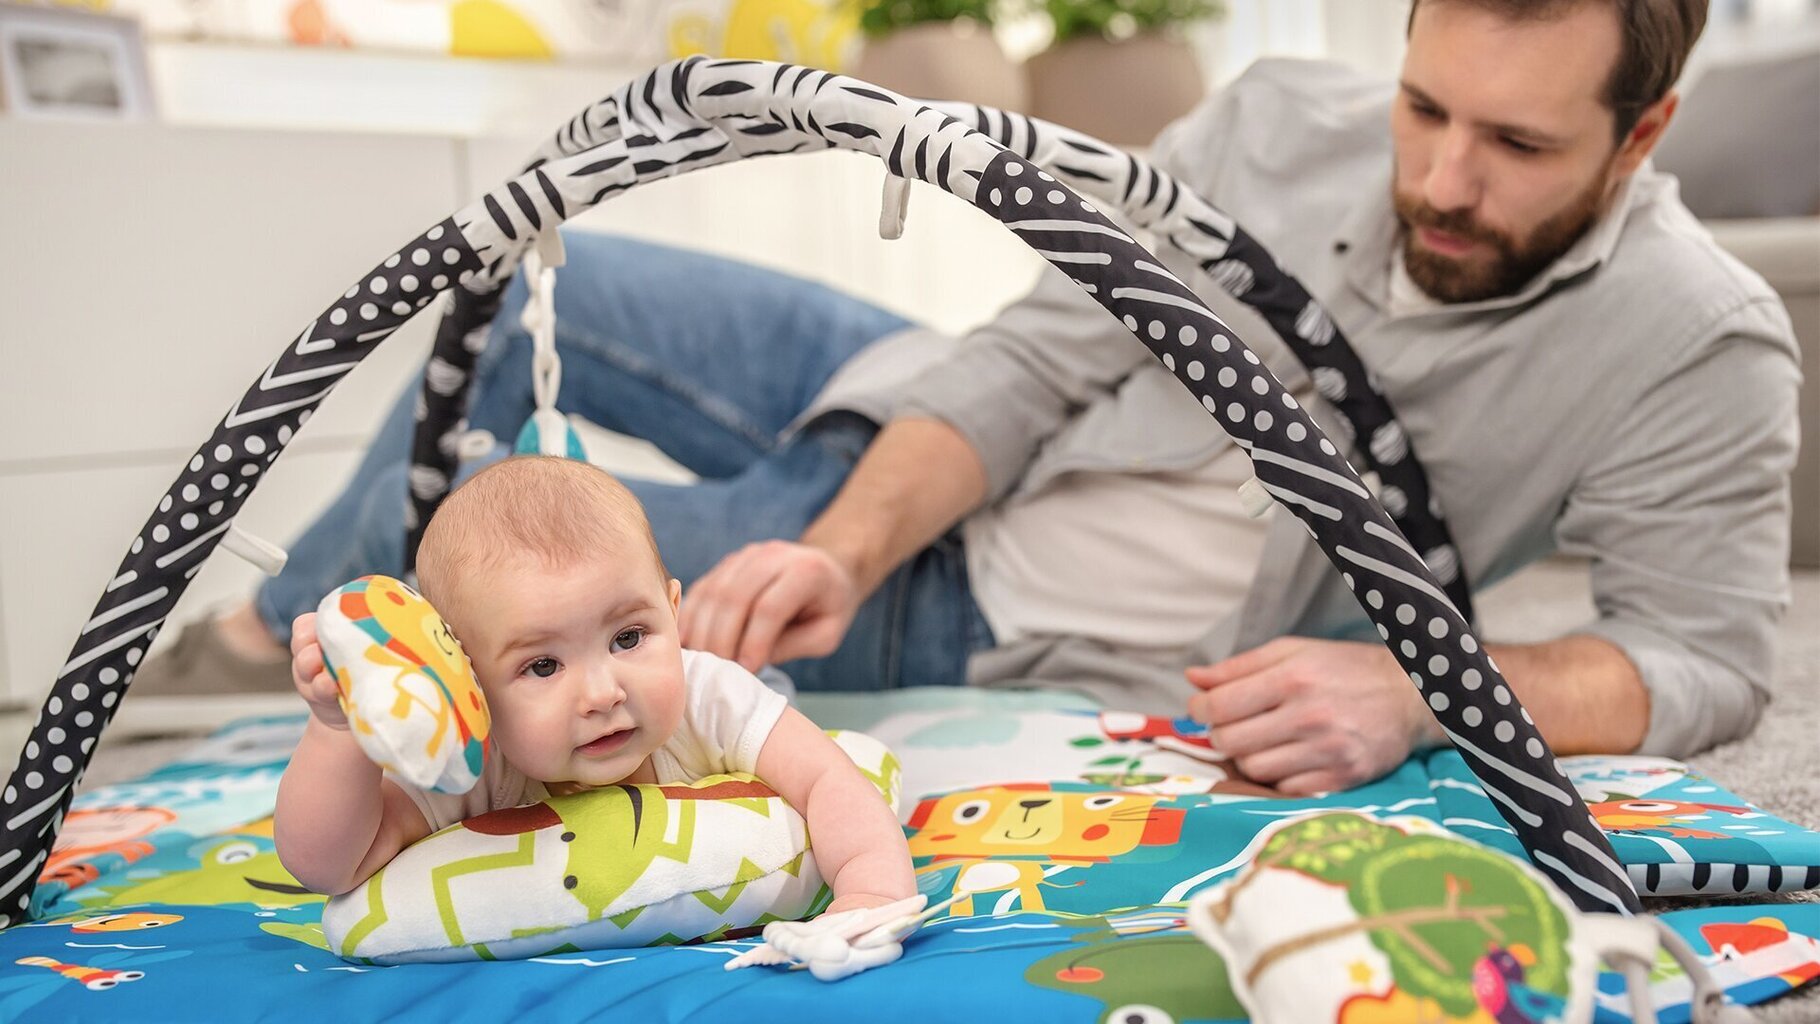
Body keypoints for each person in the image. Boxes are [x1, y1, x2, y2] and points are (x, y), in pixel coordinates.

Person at [148, 0, 1799, 798]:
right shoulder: (1281, 117)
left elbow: (1710, 661)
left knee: (448, 516)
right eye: (1426, 107)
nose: (1441, 175)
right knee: (513, 281)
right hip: (944, 432)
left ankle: (291, 650)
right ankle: (259, 631)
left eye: (1515, 147)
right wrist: (846, 545)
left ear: (1642, 135)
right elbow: (1030, 356)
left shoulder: (1695, 340)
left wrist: (1425, 683)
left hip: (1006, 598)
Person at [273, 455, 915, 910]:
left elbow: (831, 779)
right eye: (543, 666)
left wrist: (869, 888)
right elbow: (331, 865)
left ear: (672, 609)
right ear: (470, 685)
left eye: (629, 637)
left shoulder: (708, 695)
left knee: (764, 686)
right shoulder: (482, 762)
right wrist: (339, 732)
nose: (604, 693)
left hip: (734, 689)